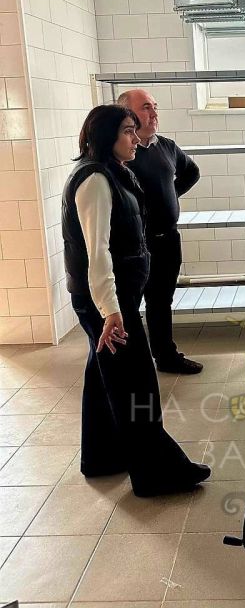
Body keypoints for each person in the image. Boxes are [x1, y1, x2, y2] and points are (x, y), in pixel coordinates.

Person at [62, 104, 210, 497]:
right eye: (128, 130)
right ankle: (156, 473)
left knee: (104, 379)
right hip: (109, 304)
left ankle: (103, 457)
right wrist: (111, 311)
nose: (135, 137)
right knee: (136, 385)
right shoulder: (95, 180)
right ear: (107, 136)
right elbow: (97, 252)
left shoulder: (111, 171)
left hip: (109, 299)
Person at [116, 89, 202, 375]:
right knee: (128, 305)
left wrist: (170, 195)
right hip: (134, 245)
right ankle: (129, 364)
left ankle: (166, 356)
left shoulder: (166, 146)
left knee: (162, 301)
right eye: (145, 107)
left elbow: (192, 172)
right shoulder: (122, 152)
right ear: (127, 114)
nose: (153, 113)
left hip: (167, 239)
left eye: (155, 107)